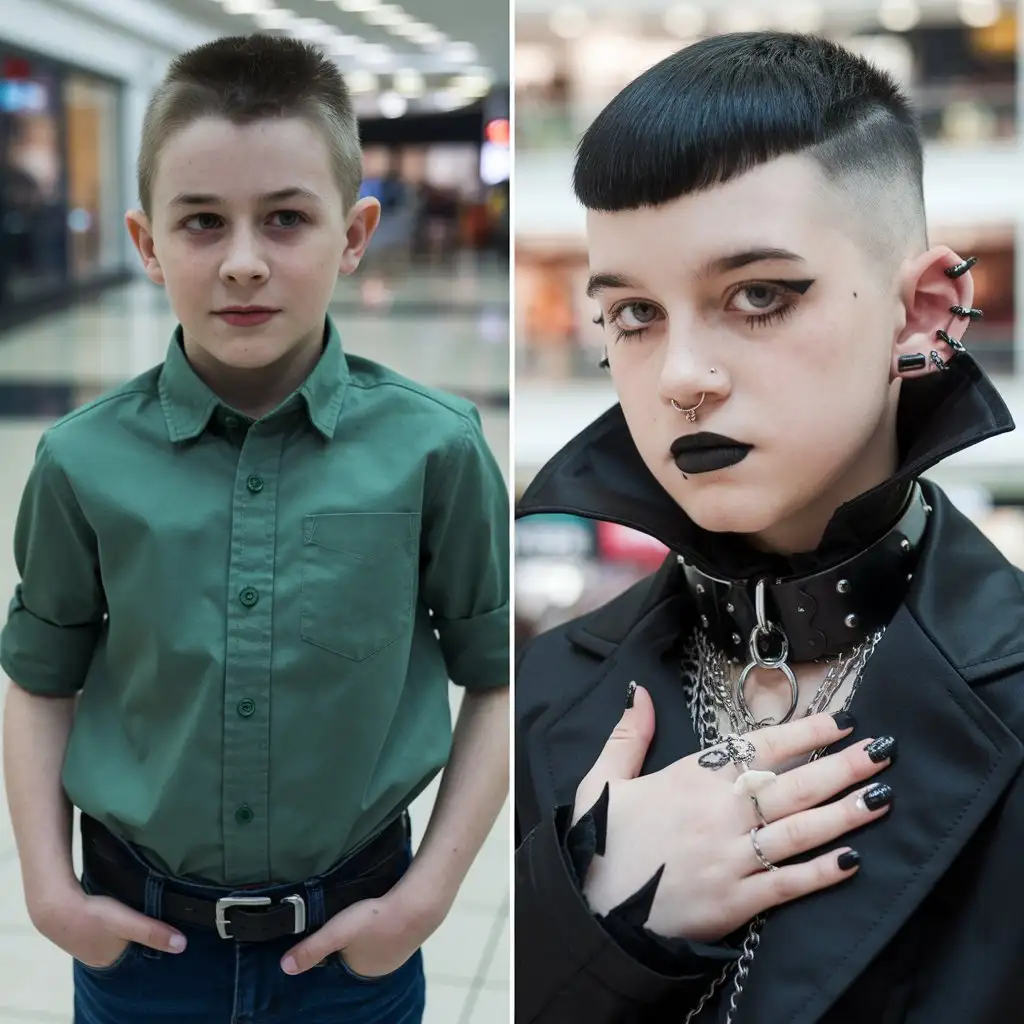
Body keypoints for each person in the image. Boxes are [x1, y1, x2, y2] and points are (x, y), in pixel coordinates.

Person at [514, 31, 1023, 1024]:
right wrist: (589, 915)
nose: (679, 377)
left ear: (922, 314)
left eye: (756, 297)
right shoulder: (550, 690)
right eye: (631, 314)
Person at [0, 34, 509, 1024]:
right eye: (201, 223)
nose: (243, 263)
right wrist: (50, 891)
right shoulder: (79, 461)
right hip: (141, 949)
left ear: (353, 233)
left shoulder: (436, 450)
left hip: (351, 952)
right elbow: (40, 674)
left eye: (284, 219)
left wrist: (424, 898)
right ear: (147, 245)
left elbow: (494, 673)